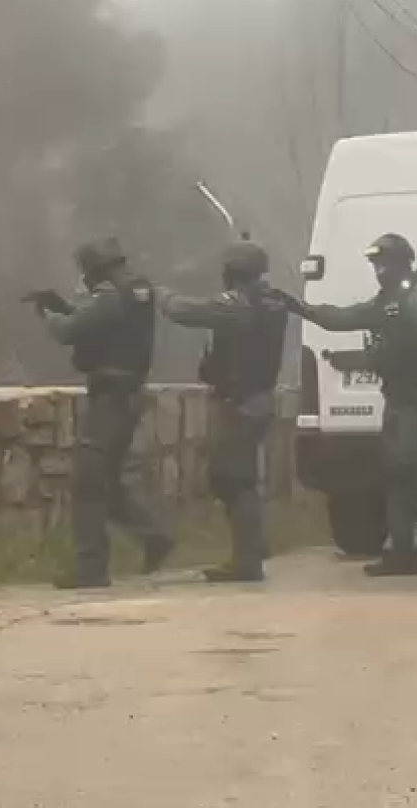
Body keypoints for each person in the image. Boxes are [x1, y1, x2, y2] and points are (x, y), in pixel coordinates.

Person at [284, 233, 417, 576]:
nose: (379, 270)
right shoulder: (389, 300)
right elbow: (345, 318)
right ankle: (405, 552)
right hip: (399, 397)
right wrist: (300, 308)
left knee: (409, 471)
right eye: (375, 263)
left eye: (384, 263)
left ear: (403, 262)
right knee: (399, 475)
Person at [27, 238, 174, 589]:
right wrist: (64, 305)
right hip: (130, 394)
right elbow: (102, 326)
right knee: (106, 479)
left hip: (111, 399)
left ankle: (90, 567)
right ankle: (154, 537)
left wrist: (49, 312)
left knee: (89, 481)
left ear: (96, 270)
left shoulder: (109, 295)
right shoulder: (138, 289)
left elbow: (67, 331)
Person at [159, 241, 289, 583]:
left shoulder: (238, 305)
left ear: (234, 272)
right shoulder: (274, 301)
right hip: (257, 398)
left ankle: (248, 561)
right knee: (238, 477)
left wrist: (161, 294)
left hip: (243, 401)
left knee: (234, 479)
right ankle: (254, 547)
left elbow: (184, 312)